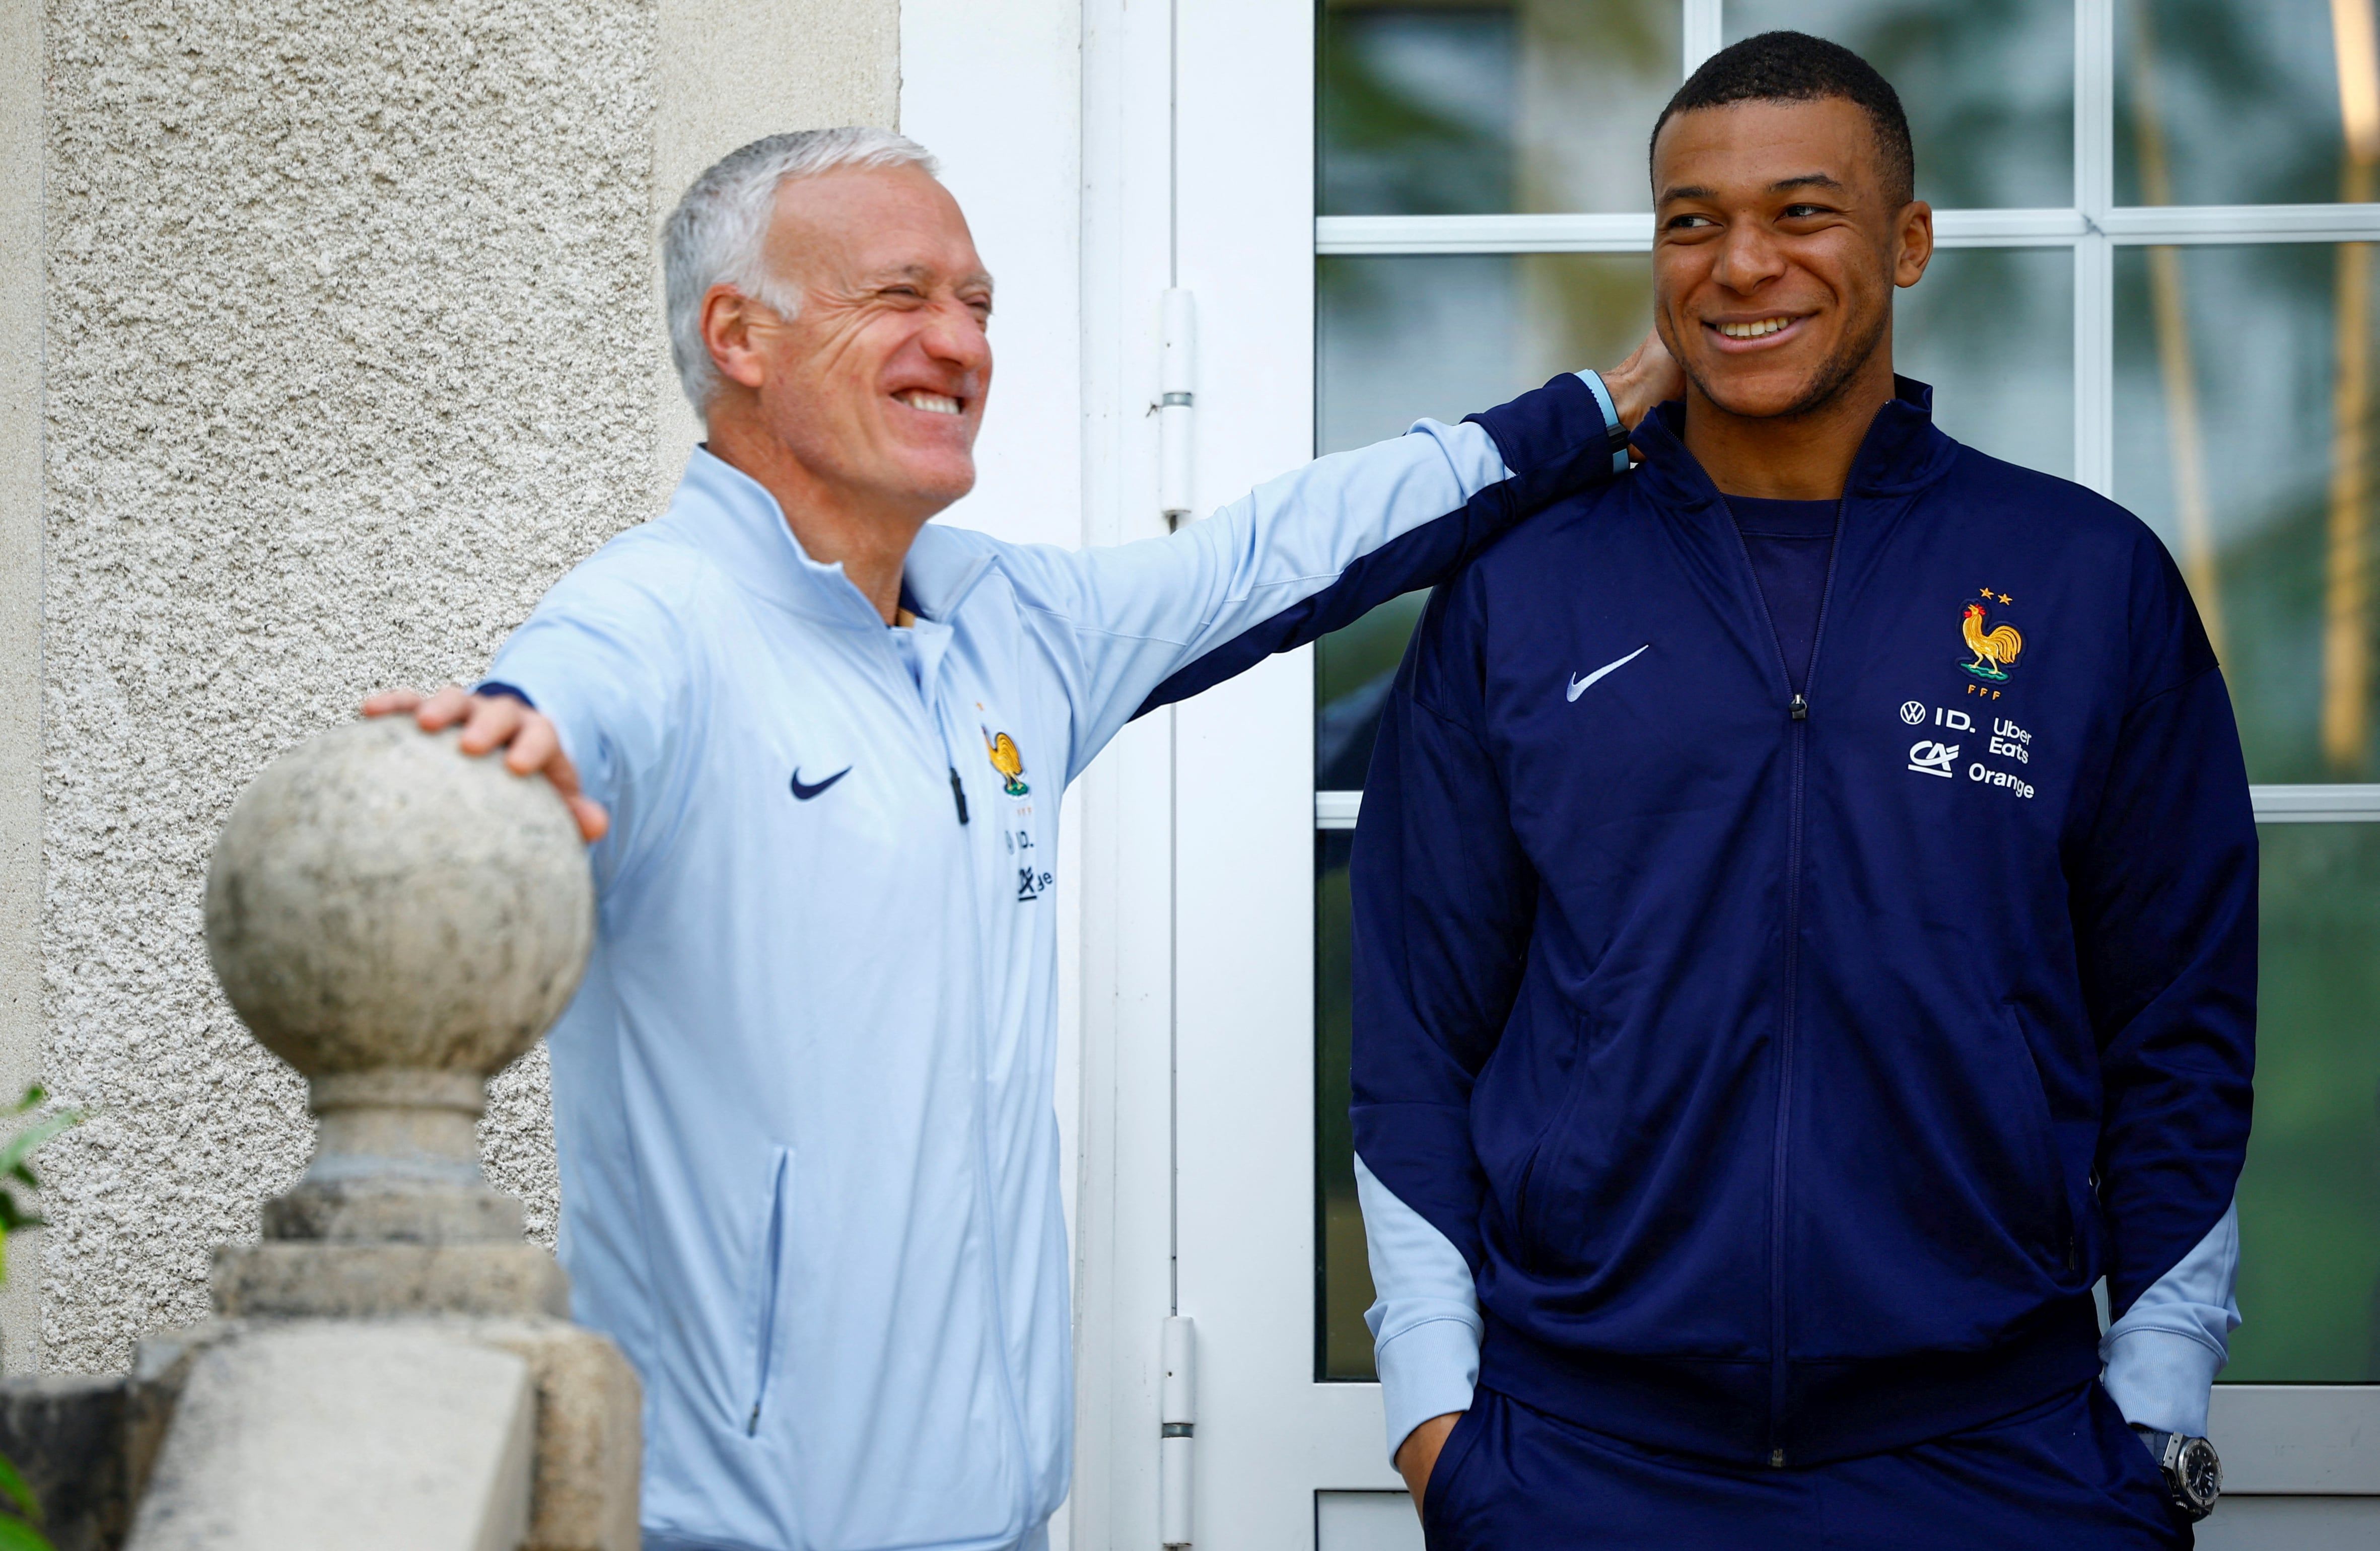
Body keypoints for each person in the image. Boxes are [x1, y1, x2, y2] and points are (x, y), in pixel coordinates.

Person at [366, 128, 1677, 1551]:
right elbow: (569, 700)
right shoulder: (654, 620)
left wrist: (1601, 410)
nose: (959, 344)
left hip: (1002, 1523)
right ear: (738, 335)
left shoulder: (1009, 624)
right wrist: (512, 735)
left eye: (978, 305)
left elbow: (1281, 553)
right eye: (903, 296)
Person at [1351, 33, 2253, 1549]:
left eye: (1802, 212)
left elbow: (2184, 1024)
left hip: (2000, 1464)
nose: (1739, 264)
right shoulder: (1526, 592)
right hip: (1587, 1468)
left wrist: (2151, 1427)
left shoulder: (2084, 582)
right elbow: (1416, 1025)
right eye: (1690, 221)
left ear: (1906, 241)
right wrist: (1440, 1428)